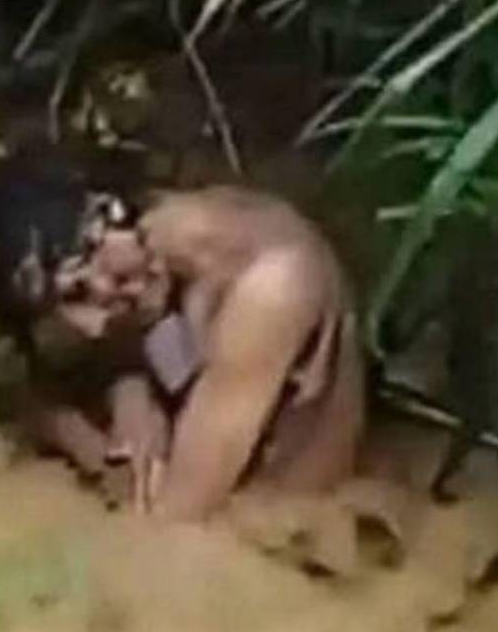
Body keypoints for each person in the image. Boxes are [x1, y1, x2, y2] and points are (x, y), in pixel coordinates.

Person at [49, 184, 366, 523]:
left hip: (276, 517)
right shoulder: (162, 247)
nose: (94, 322)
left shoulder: (272, 288)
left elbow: (178, 518)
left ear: (107, 228)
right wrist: (133, 401)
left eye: (79, 290)